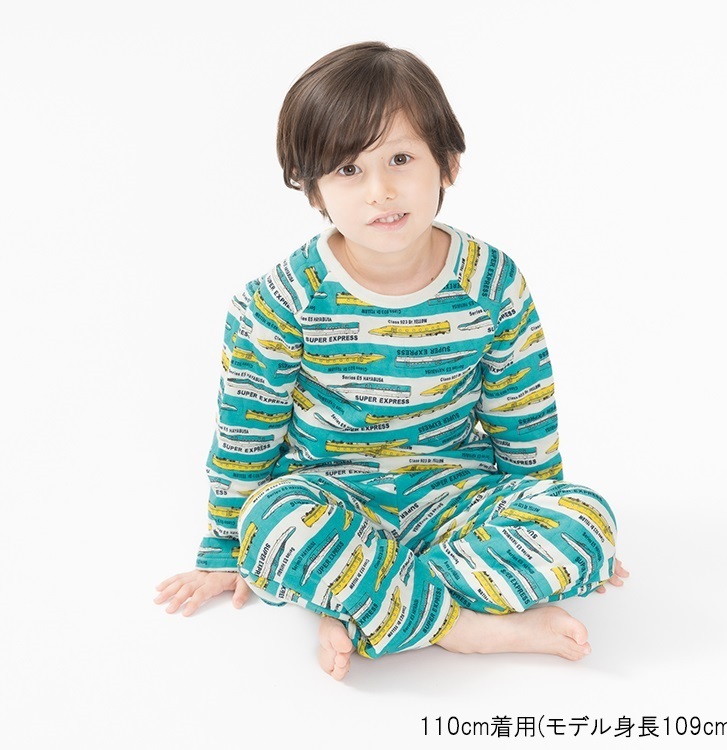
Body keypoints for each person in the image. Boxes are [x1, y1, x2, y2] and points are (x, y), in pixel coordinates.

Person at [154, 41, 628, 680]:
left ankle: (366, 602)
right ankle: (461, 628)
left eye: (400, 159)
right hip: (330, 496)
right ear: (314, 189)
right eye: (348, 169)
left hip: (455, 492)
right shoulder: (283, 299)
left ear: (447, 164)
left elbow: (523, 415)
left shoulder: (491, 281)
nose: (380, 192)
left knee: (590, 518)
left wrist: (544, 516)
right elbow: (247, 431)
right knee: (270, 521)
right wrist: (222, 548)